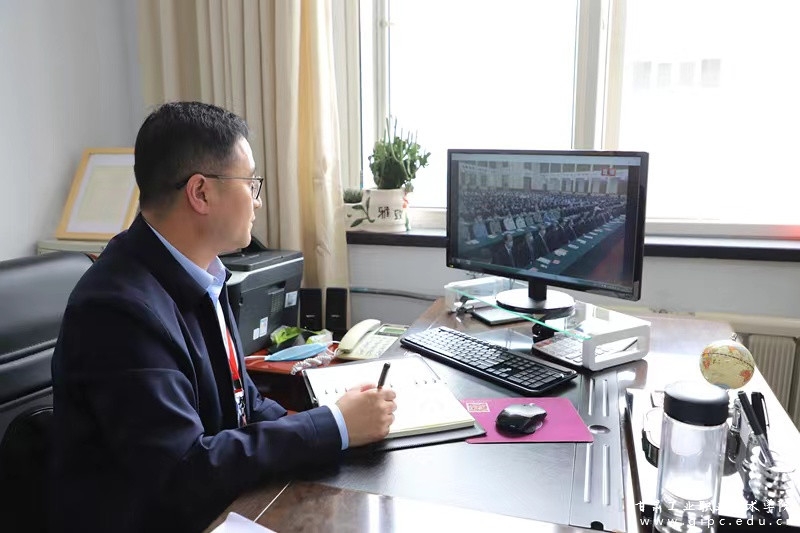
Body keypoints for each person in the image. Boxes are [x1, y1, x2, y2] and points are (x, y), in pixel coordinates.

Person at [50, 101, 397, 532]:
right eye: (250, 183)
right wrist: (333, 426)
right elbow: (183, 470)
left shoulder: (203, 273)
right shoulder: (118, 310)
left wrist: (337, 421)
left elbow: (244, 404)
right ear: (201, 193)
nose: (258, 200)